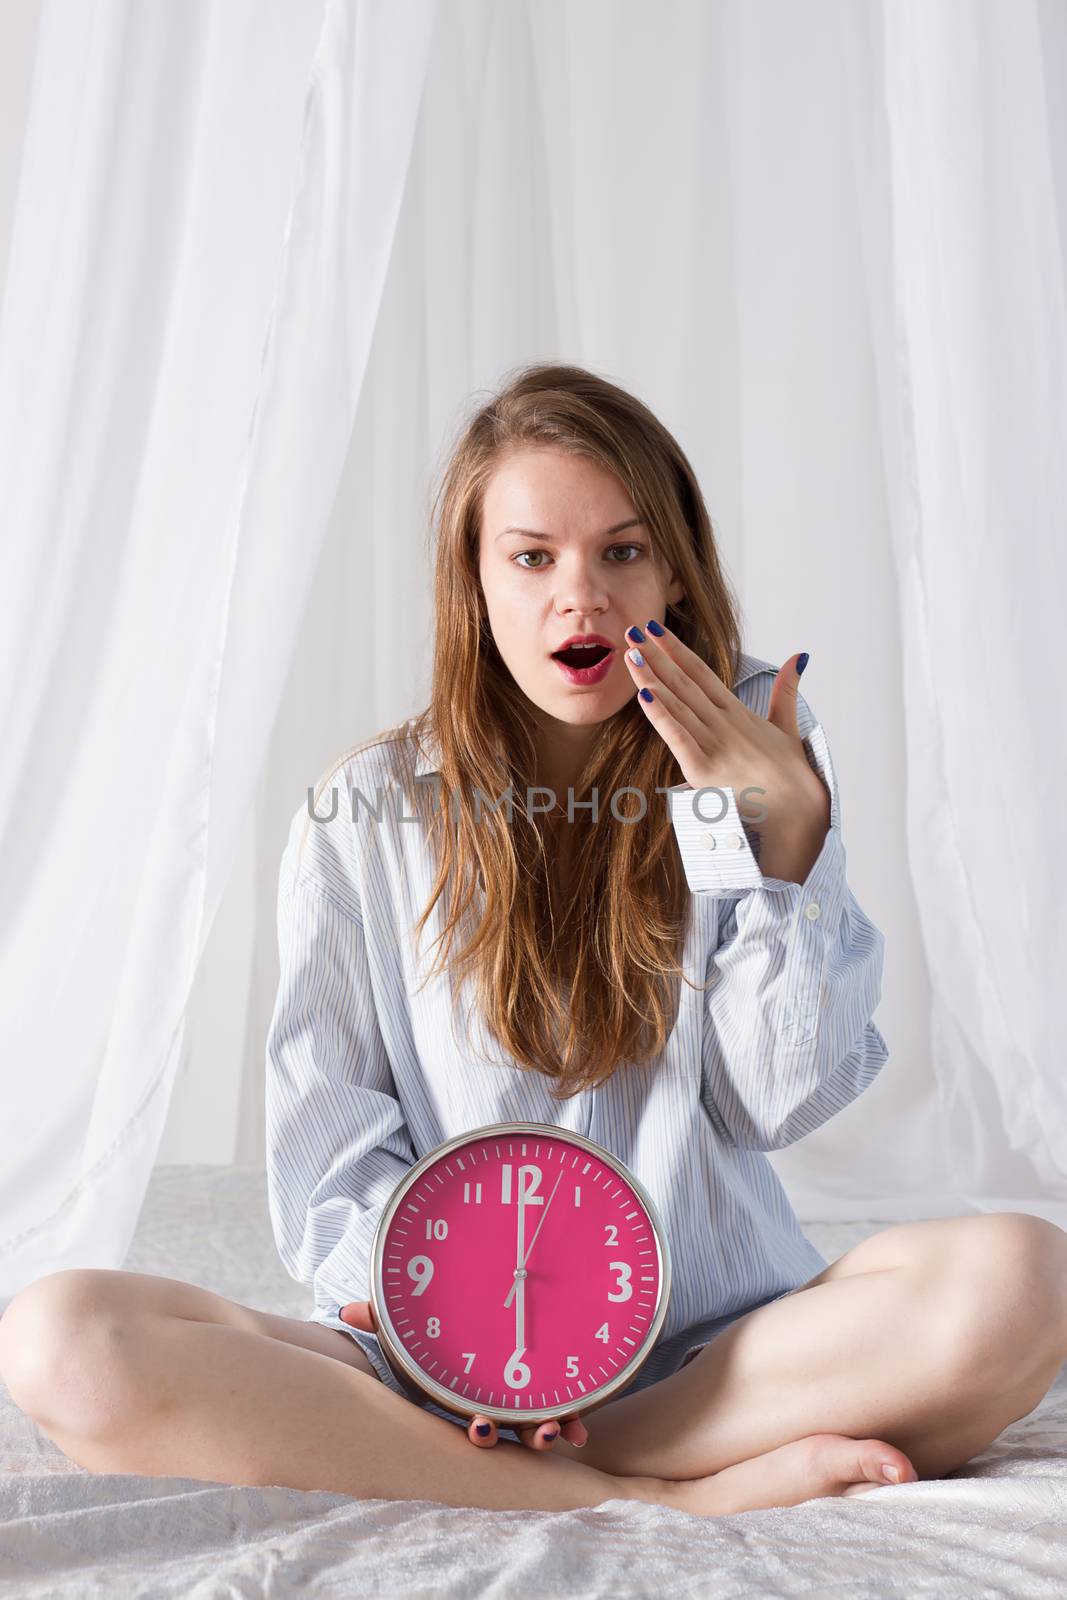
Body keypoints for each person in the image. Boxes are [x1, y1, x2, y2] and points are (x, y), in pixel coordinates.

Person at [3, 364, 1064, 1519]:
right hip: (437, 1365)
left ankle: (592, 1462)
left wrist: (777, 840)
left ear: (672, 569)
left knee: (1020, 1280)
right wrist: (454, 1353)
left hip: (719, 1357)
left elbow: (774, 1103)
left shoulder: (755, 759)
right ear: (474, 580)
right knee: (60, 1338)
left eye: (621, 551)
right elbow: (331, 1160)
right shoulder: (368, 807)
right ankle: (654, 1496)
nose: (582, 598)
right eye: (532, 557)